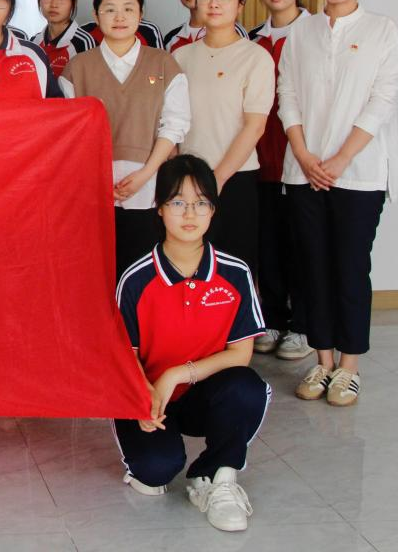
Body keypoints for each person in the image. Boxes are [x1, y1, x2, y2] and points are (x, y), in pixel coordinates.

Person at [278, 0, 398, 407]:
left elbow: (381, 101)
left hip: (359, 173)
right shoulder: (302, 32)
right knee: (312, 268)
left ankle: (349, 367)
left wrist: (340, 159)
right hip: (305, 170)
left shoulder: (381, 30)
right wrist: (303, 154)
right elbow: (287, 94)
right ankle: (323, 361)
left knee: (349, 267)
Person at [114, 154, 268, 533]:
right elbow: (124, 356)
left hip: (204, 395)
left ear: (213, 210)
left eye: (201, 203)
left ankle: (217, 476)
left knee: (246, 388)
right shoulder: (135, 279)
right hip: (151, 399)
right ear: (159, 207)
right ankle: (153, 455)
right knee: (155, 473)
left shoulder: (235, 273)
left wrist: (176, 375)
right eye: (178, 202)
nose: (189, 214)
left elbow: (241, 353)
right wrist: (146, 395)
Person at [61, 0, 189, 279]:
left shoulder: (164, 64)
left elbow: (175, 124)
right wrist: (98, 179)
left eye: (128, 9)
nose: (119, 17)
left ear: (140, 14)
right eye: (110, 9)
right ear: (96, 15)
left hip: (150, 188)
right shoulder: (77, 68)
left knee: (143, 274)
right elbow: (69, 136)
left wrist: (145, 174)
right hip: (94, 192)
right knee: (97, 274)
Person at [172, 0, 274, 270]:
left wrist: (216, 180)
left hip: (235, 179)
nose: (213, 3)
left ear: (240, 3)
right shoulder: (180, 57)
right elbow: (172, 122)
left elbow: (254, 127)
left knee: (233, 267)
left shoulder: (255, 57)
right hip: (188, 179)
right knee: (190, 266)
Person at [248, 0, 313, 361]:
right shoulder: (252, 40)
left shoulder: (315, 34)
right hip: (261, 159)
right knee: (267, 245)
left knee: (301, 246)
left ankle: (302, 326)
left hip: (302, 160)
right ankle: (272, 319)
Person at [30, 0, 95, 77]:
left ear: (74, 3)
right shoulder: (34, 42)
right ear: (39, 0)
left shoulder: (83, 42)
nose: (54, 4)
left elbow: (90, 83)